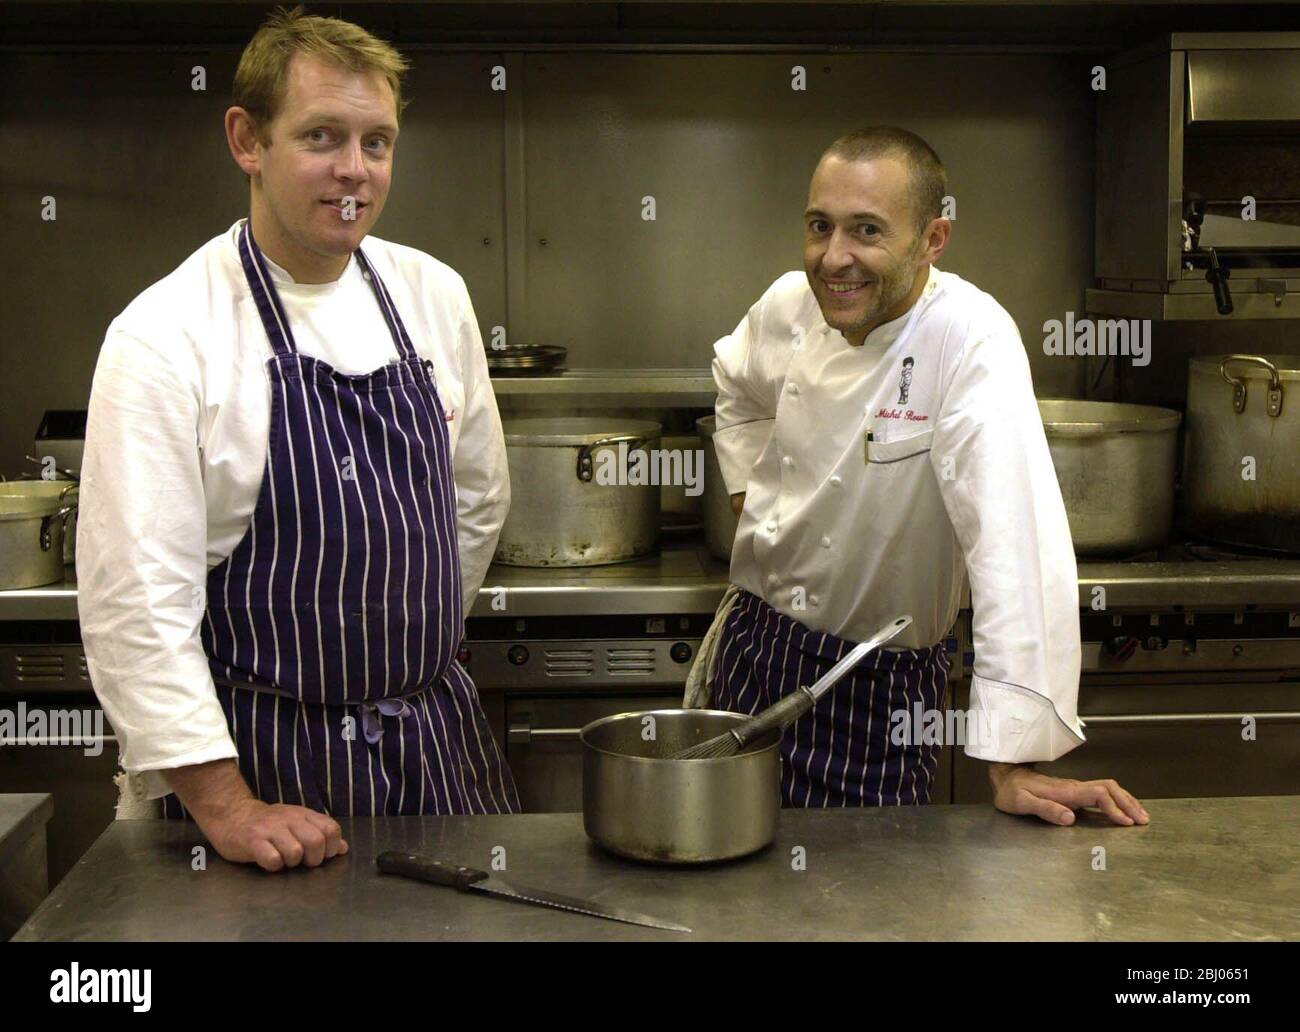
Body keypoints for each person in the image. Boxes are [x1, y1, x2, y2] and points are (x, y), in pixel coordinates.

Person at [78, 5, 518, 873]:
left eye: (377, 142)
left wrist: (401, 648)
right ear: (248, 139)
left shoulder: (433, 294)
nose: (354, 171)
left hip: (435, 751)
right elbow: (135, 604)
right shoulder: (167, 334)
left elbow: (478, 498)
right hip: (262, 772)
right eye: (322, 136)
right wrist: (227, 807)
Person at [690, 126, 1148, 827]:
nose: (833, 258)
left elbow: (1012, 540)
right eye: (820, 226)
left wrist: (1014, 757)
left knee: (851, 902)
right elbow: (737, 387)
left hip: (873, 686)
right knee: (722, 881)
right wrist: (756, 496)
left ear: (934, 238)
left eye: (866, 230)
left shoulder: (968, 338)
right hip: (756, 651)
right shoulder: (787, 305)